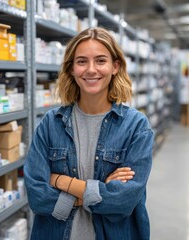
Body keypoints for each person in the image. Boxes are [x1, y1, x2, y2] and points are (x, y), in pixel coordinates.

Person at [24, 27, 154, 240]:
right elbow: (37, 196)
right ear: (72, 69)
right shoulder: (51, 123)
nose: (91, 69)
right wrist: (101, 191)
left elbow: (124, 201)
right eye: (82, 61)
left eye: (101, 61)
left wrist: (61, 182)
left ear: (115, 66)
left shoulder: (136, 126)